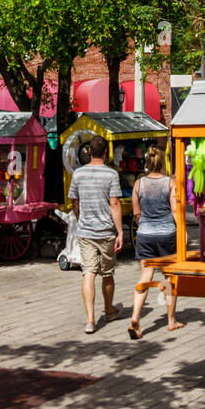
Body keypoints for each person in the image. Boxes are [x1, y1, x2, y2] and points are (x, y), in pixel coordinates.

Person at [68, 134, 123, 334]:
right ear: (106, 153)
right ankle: (109, 310)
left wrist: (81, 217)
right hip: (106, 231)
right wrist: (120, 232)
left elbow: (74, 202)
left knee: (88, 272)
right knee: (107, 273)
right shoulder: (111, 175)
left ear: (89, 152)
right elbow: (114, 204)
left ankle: (90, 320)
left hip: (86, 232)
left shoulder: (78, 174)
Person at [127, 145, 184, 340]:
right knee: (169, 277)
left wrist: (144, 225)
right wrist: (183, 234)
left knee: (145, 276)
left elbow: (136, 214)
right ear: (162, 163)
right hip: (167, 234)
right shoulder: (170, 183)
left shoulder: (138, 184)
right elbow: (175, 212)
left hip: (145, 235)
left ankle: (135, 318)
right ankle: (170, 320)